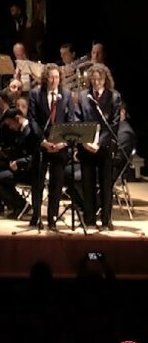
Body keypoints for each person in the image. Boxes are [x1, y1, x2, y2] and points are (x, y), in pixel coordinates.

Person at [76, 64, 122, 230]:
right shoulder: (83, 96)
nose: (96, 82)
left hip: (104, 147)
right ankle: (89, 219)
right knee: (87, 183)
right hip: (86, 147)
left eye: (99, 79)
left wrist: (99, 143)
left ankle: (106, 220)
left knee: (105, 185)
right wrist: (86, 142)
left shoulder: (114, 97)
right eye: (93, 79)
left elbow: (114, 124)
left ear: (105, 80)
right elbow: (77, 119)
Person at [26, 65, 72, 230]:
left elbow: (70, 120)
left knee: (56, 183)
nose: (54, 81)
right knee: (37, 181)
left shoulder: (65, 95)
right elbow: (32, 119)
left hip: (59, 145)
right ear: (46, 78)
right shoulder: (35, 94)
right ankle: (36, 215)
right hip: (42, 144)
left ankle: (52, 217)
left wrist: (63, 142)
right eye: (51, 77)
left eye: (57, 77)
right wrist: (43, 141)